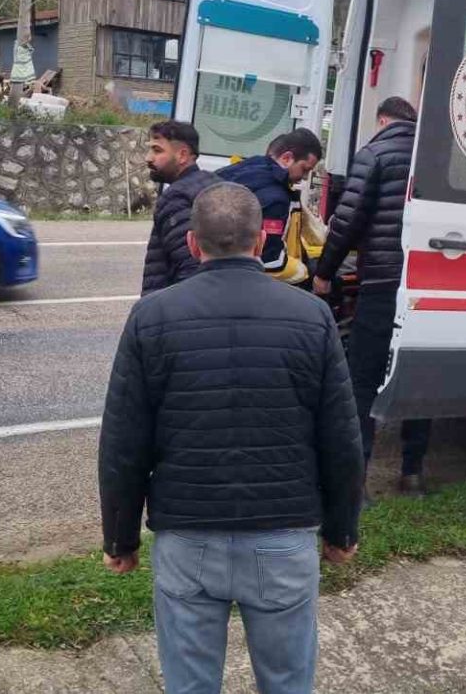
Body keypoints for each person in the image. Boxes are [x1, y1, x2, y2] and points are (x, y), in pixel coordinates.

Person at [100, 182, 363, 694]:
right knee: (287, 683)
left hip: (187, 537)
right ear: (261, 241)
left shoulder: (151, 317)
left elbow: (123, 442)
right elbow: (340, 437)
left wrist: (120, 537)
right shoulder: (312, 316)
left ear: (192, 244)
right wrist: (341, 529)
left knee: (190, 684)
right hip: (283, 537)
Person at [312, 96, 431, 496]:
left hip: (381, 284)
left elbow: (346, 221)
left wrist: (324, 273)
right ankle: (412, 473)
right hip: (425, 288)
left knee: (363, 380)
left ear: (383, 121)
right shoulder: (437, 157)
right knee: (417, 379)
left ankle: (358, 479)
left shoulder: (374, 154)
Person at [215, 128, 323, 284]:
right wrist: (303, 271)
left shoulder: (243, 171)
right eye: (305, 169)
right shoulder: (276, 198)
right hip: (246, 281)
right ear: (286, 158)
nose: (305, 177)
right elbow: (270, 261)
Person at [141, 120, 218, 295]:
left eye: (157, 150)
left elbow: (190, 268)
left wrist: (173, 308)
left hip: (172, 303)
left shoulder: (177, 197)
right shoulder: (212, 182)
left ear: (182, 155)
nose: (148, 158)